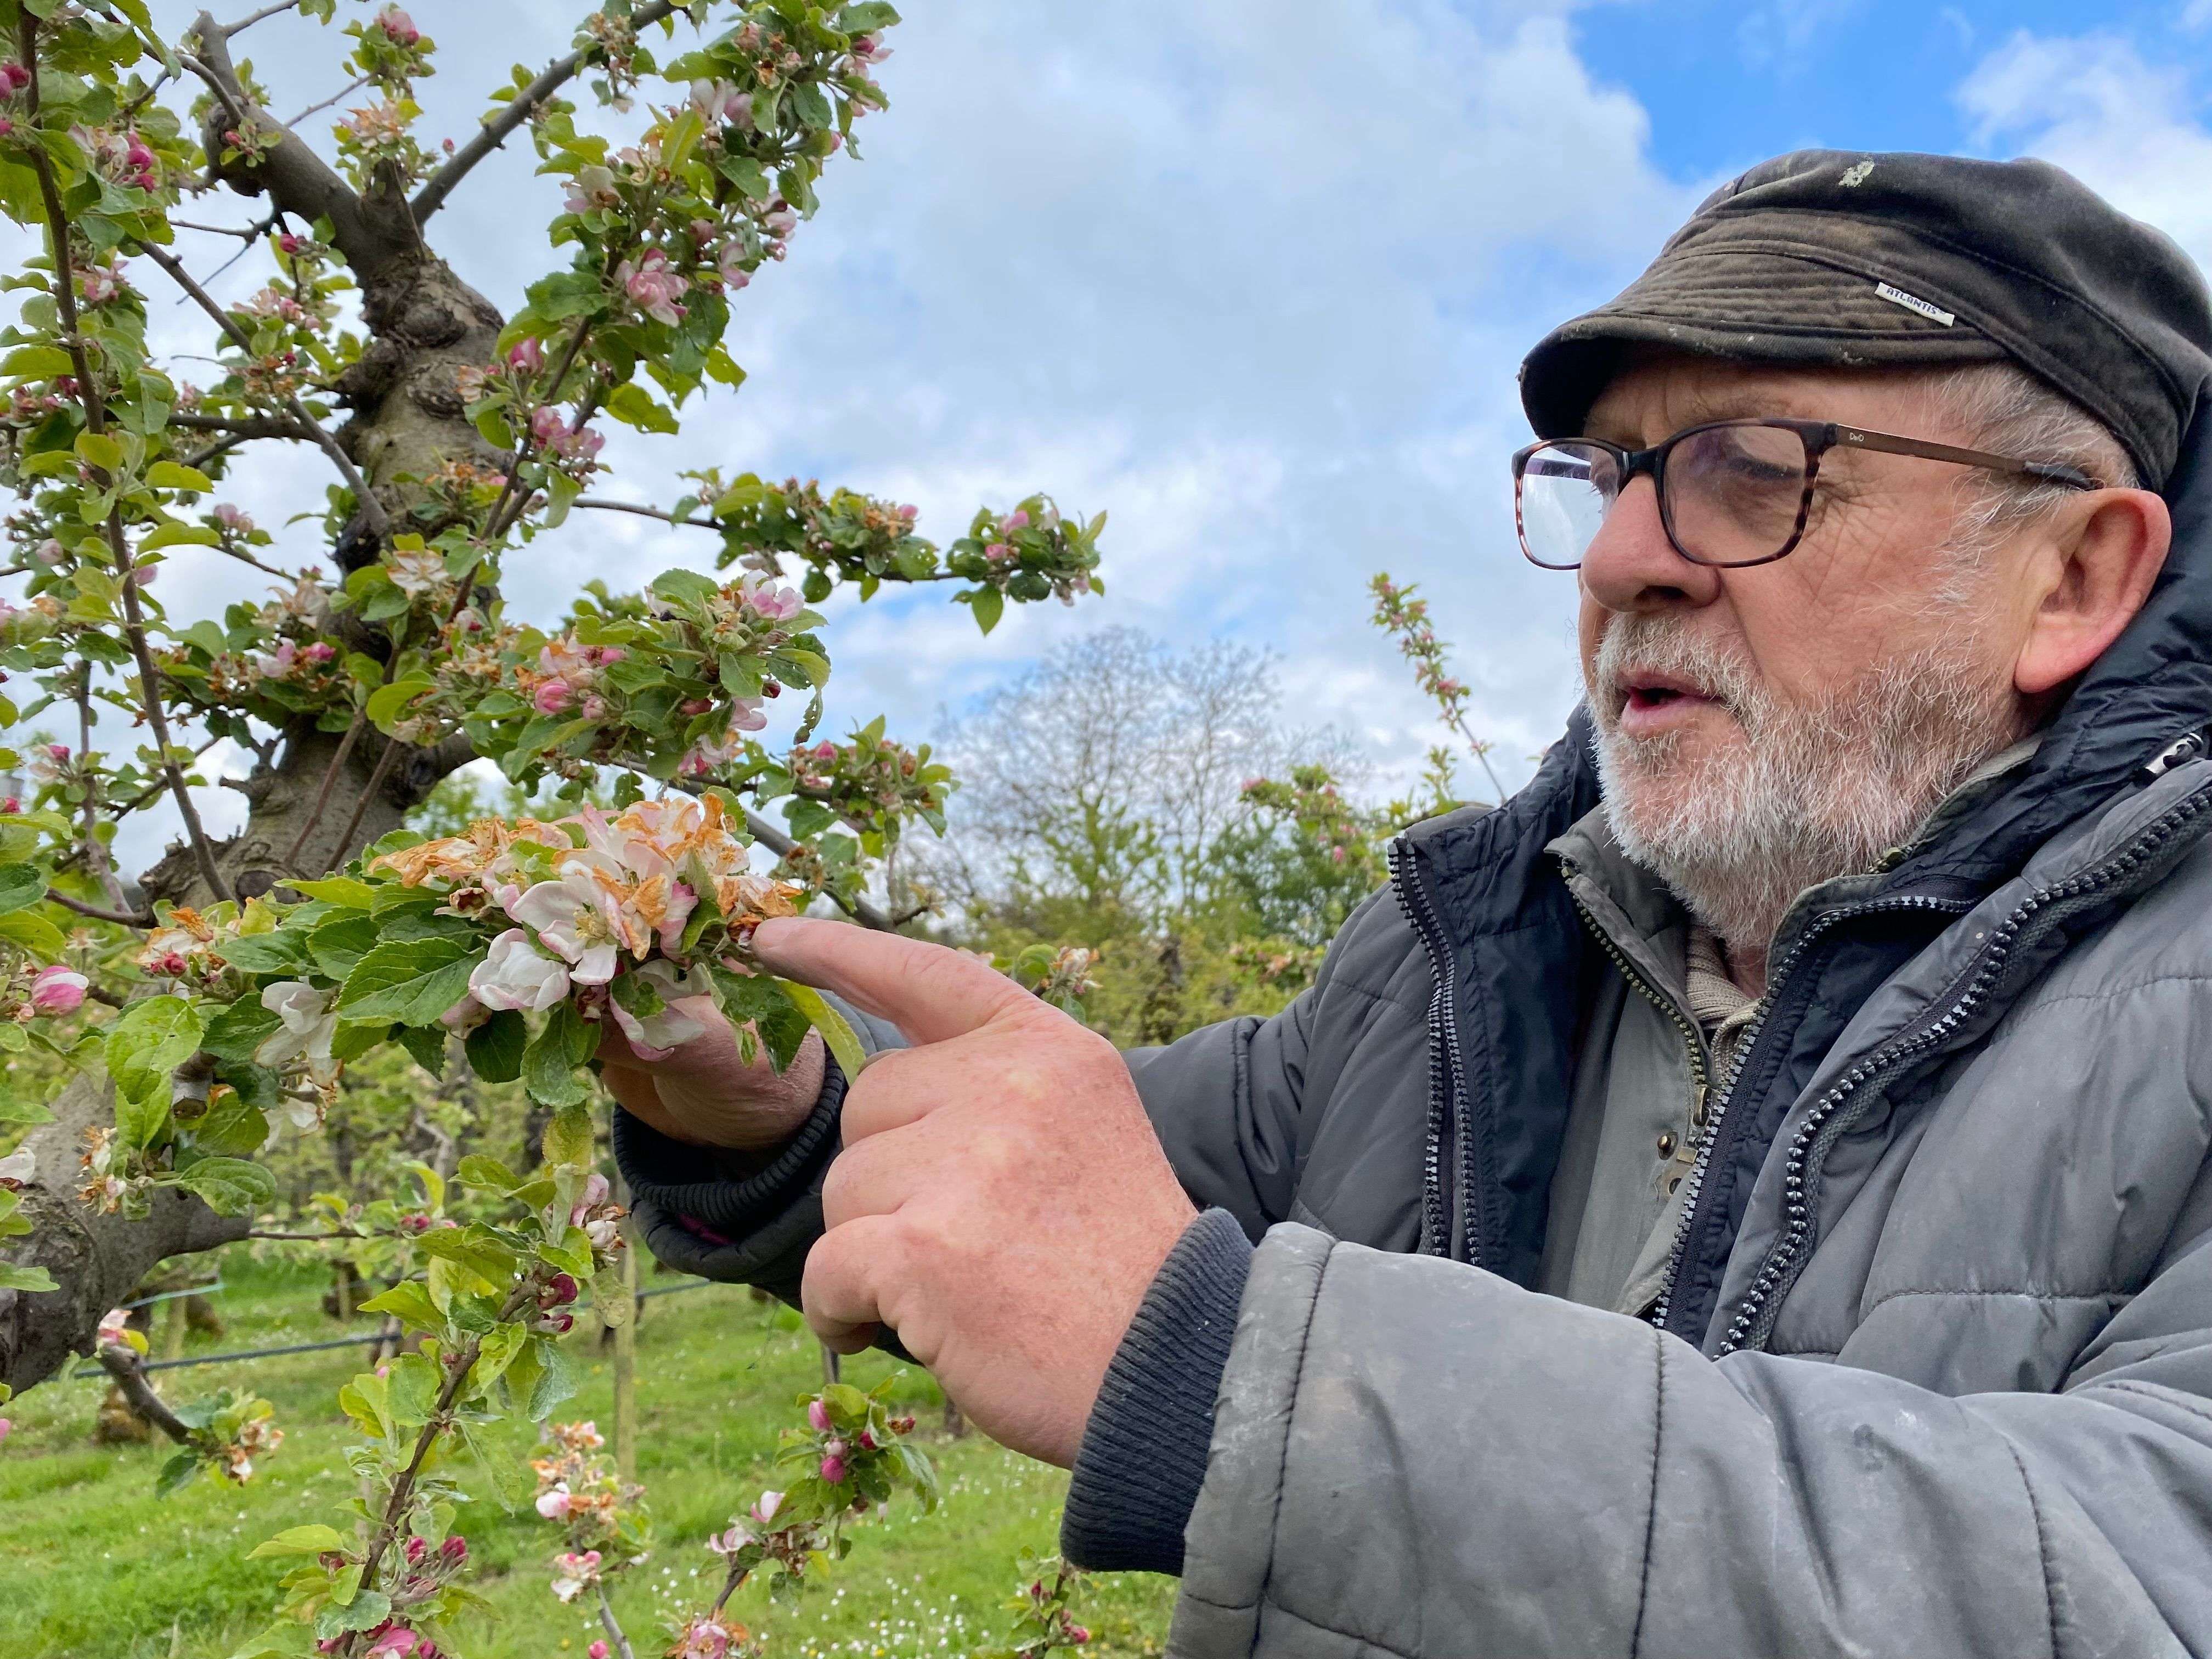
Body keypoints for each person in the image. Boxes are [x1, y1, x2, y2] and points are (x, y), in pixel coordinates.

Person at [605, 149, 2212, 1655]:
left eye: (1753, 471)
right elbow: (1033, 1207)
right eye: (1614, 478)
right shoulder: (1461, 964)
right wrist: (783, 1111)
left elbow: (2139, 1578)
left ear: (2073, 574)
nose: (1621, 559)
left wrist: (1241, 1376)